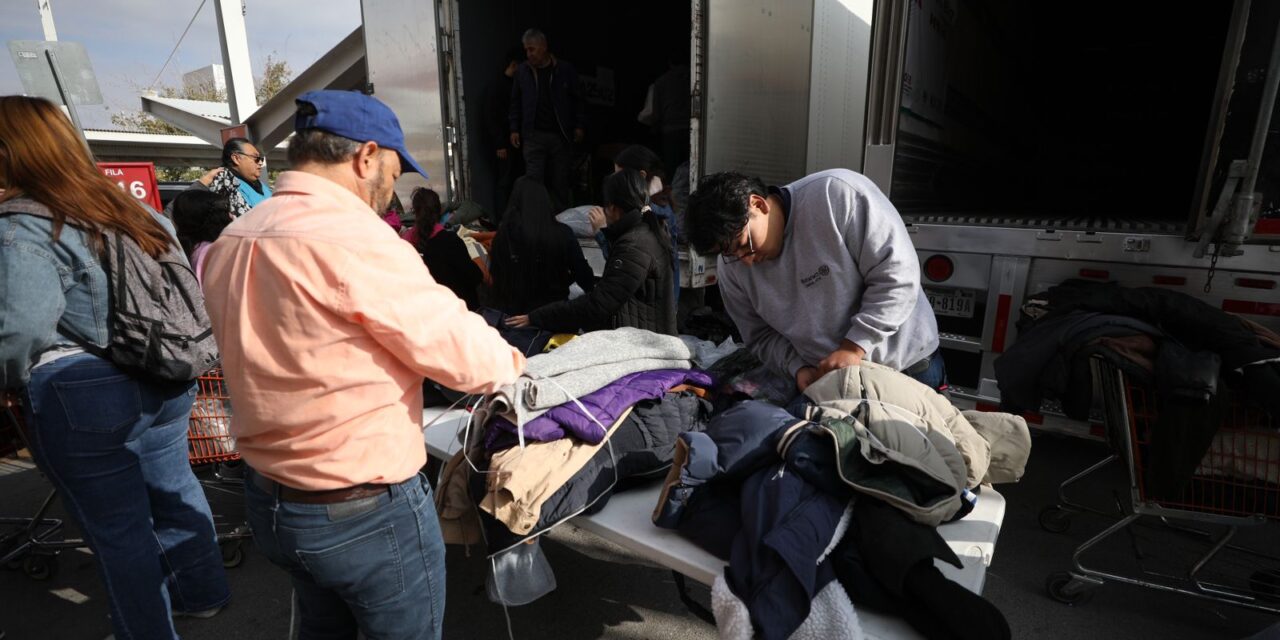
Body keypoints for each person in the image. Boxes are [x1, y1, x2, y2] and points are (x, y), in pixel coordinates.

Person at [200, 90, 526, 639]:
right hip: (362, 510)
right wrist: (517, 363)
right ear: (366, 157)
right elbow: (474, 361)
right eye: (394, 171)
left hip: (271, 499)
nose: (391, 188)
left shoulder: (235, 238)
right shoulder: (357, 240)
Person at [0, 95, 230, 639]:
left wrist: (9, 379)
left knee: (118, 528)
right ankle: (203, 595)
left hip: (82, 389)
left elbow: (21, 329)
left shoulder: (25, 224)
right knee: (174, 490)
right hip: (166, 373)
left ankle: (145, 630)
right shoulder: (134, 210)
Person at [685, 169, 943, 392]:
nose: (745, 261)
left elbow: (897, 275)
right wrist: (797, 368)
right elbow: (760, 335)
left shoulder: (837, 195)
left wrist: (854, 347)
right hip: (834, 384)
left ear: (758, 205)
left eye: (744, 244)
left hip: (908, 367)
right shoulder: (731, 268)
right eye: (729, 253)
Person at [506, 169, 677, 335]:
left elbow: (599, 304)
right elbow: (591, 282)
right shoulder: (647, 234)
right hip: (642, 339)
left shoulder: (635, 244)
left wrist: (537, 317)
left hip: (641, 346)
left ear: (613, 208)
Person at [488, 177, 596, 315]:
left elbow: (497, 279)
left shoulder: (504, 236)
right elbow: (583, 275)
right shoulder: (562, 233)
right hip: (554, 315)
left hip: (513, 317)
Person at [508, 28, 585, 210]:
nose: (529, 54)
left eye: (532, 49)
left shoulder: (564, 70)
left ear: (544, 47)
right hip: (533, 136)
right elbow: (515, 102)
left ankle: (563, 223)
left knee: (561, 181)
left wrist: (579, 125)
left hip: (560, 135)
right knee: (533, 181)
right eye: (526, 50)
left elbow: (578, 100)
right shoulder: (522, 72)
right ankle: (535, 221)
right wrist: (514, 128)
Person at [612, 145, 681, 300]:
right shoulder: (663, 204)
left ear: (641, 176)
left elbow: (623, 263)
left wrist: (600, 231)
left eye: (619, 178)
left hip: (652, 307)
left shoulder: (651, 212)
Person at [405, 186, 483, 308]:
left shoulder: (405, 246)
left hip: (427, 314)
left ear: (415, 212)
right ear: (440, 211)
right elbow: (476, 277)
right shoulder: (450, 241)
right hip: (461, 313)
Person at [487, 45, 526, 219]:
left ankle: (511, 218)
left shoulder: (513, 85)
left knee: (513, 181)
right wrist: (500, 144)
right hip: (504, 144)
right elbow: (491, 116)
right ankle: (502, 220)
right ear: (515, 65)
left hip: (514, 143)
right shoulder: (497, 86)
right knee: (504, 182)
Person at [171, 189, 234, 284]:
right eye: (225, 211)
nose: (231, 216)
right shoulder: (212, 251)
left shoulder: (195, 249)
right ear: (214, 218)